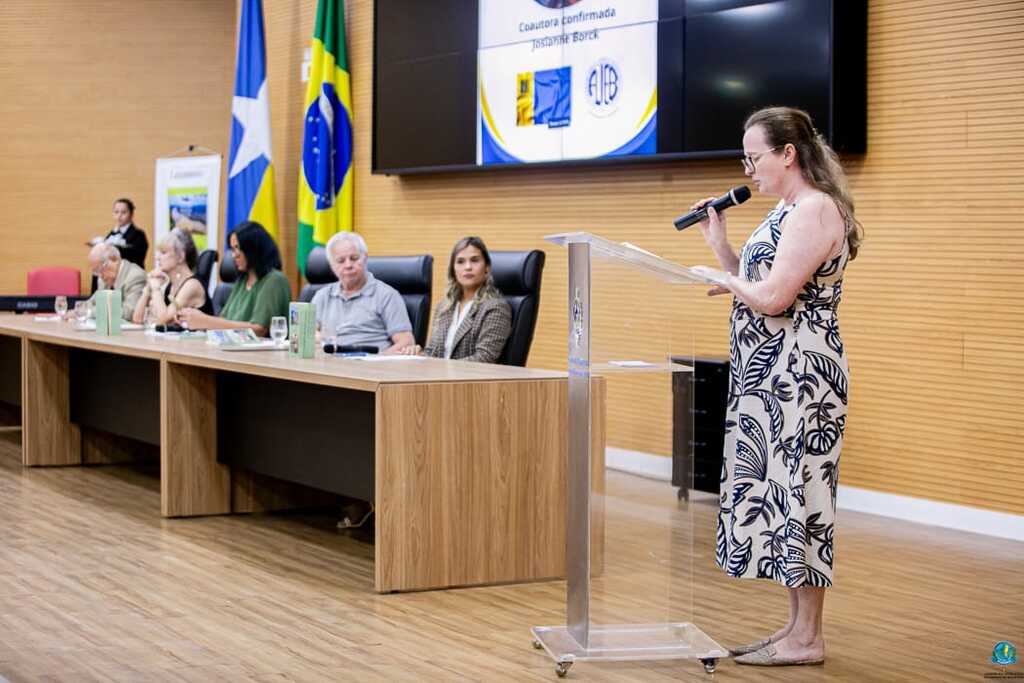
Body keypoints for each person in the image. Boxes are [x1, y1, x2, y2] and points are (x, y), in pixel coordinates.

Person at [690, 106, 863, 667]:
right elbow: (757, 280)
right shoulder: (786, 209)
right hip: (771, 371)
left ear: (788, 154)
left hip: (801, 372)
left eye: (754, 157)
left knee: (803, 494)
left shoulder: (815, 209)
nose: (748, 170)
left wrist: (725, 280)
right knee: (783, 494)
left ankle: (809, 637)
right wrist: (720, 245)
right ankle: (794, 629)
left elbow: (773, 298)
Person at [401, 236, 511, 362]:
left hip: (470, 374)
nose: (468, 267)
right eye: (460, 262)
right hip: (439, 373)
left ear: (486, 267)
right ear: (453, 270)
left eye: (475, 260)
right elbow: (433, 352)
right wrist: (418, 354)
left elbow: (485, 357)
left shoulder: (495, 307)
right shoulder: (444, 307)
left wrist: (442, 368)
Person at [177, 221, 289, 337]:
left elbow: (259, 329)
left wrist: (205, 321)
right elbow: (223, 320)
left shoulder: (275, 280)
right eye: (232, 249)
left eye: (237, 248)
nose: (234, 255)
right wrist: (196, 319)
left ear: (254, 248)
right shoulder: (242, 280)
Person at [311, 232, 415, 353]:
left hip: (371, 362)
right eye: (340, 260)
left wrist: (378, 359)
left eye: (354, 258)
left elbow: (406, 342)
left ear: (365, 258)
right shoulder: (322, 296)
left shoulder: (387, 295)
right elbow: (305, 334)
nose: (348, 265)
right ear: (332, 265)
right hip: (329, 361)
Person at [132, 228, 212, 325]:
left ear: (181, 256)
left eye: (163, 252)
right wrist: (148, 288)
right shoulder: (171, 285)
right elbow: (137, 319)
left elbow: (162, 321)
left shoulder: (192, 286)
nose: (157, 257)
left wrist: (155, 288)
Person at [88, 243, 147, 320]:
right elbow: (91, 303)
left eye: (100, 268)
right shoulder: (103, 279)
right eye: (96, 271)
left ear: (115, 259)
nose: (100, 275)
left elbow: (129, 313)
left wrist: (90, 312)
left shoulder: (135, 276)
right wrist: (79, 311)